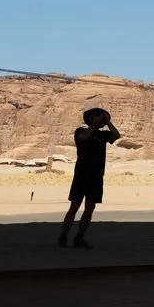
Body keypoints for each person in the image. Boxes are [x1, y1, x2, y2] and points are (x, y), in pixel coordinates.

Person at [58, 107, 120, 249]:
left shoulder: (103, 135)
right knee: (74, 207)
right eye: (96, 116)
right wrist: (94, 125)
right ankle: (63, 236)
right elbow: (84, 137)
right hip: (82, 175)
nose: (100, 118)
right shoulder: (80, 131)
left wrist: (108, 122)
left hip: (96, 176)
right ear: (90, 118)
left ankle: (79, 237)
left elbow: (116, 135)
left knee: (90, 208)